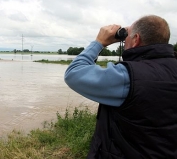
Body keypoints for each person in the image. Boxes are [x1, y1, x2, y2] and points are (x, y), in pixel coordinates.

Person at [64, 15, 177, 159]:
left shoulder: (127, 76)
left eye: (127, 36)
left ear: (136, 39)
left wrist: (99, 42)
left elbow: (73, 74)